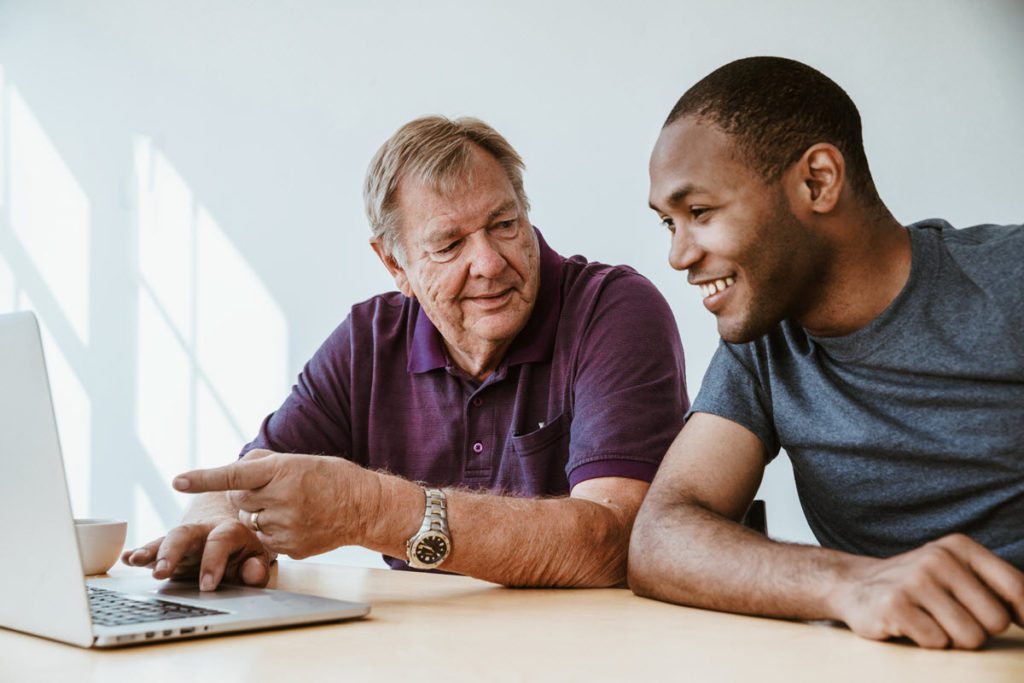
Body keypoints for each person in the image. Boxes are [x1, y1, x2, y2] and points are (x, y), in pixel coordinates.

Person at [123, 115, 688, 589]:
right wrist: (218, 521)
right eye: (448, 244)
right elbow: (251, 479)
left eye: (505, 224)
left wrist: (369, 508)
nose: (490, 262)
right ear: (396, 265)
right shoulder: (370, 338)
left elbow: (617, 541)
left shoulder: (613, 310)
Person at [629, 56, 1024, 650]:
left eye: (699, 213)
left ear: (817, 180)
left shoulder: (1008, 280)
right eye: (669, 224)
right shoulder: (760, 341)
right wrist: (852, 584)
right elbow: (660, 539)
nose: (679, 256)